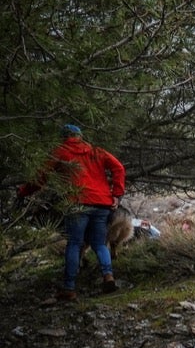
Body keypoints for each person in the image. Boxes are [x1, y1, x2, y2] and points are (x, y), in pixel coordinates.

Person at [19, 124, 127, 301]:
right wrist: (117, 194)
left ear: (63, 137)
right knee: (99, 243)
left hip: (76, 203)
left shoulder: (60, 152)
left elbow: (41, 177)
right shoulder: (96, 151)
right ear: (80, 136)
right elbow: (119, 168)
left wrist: (23, 192)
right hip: (101, 203)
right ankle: (108, 277)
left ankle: (69, 288)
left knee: (74, 244)